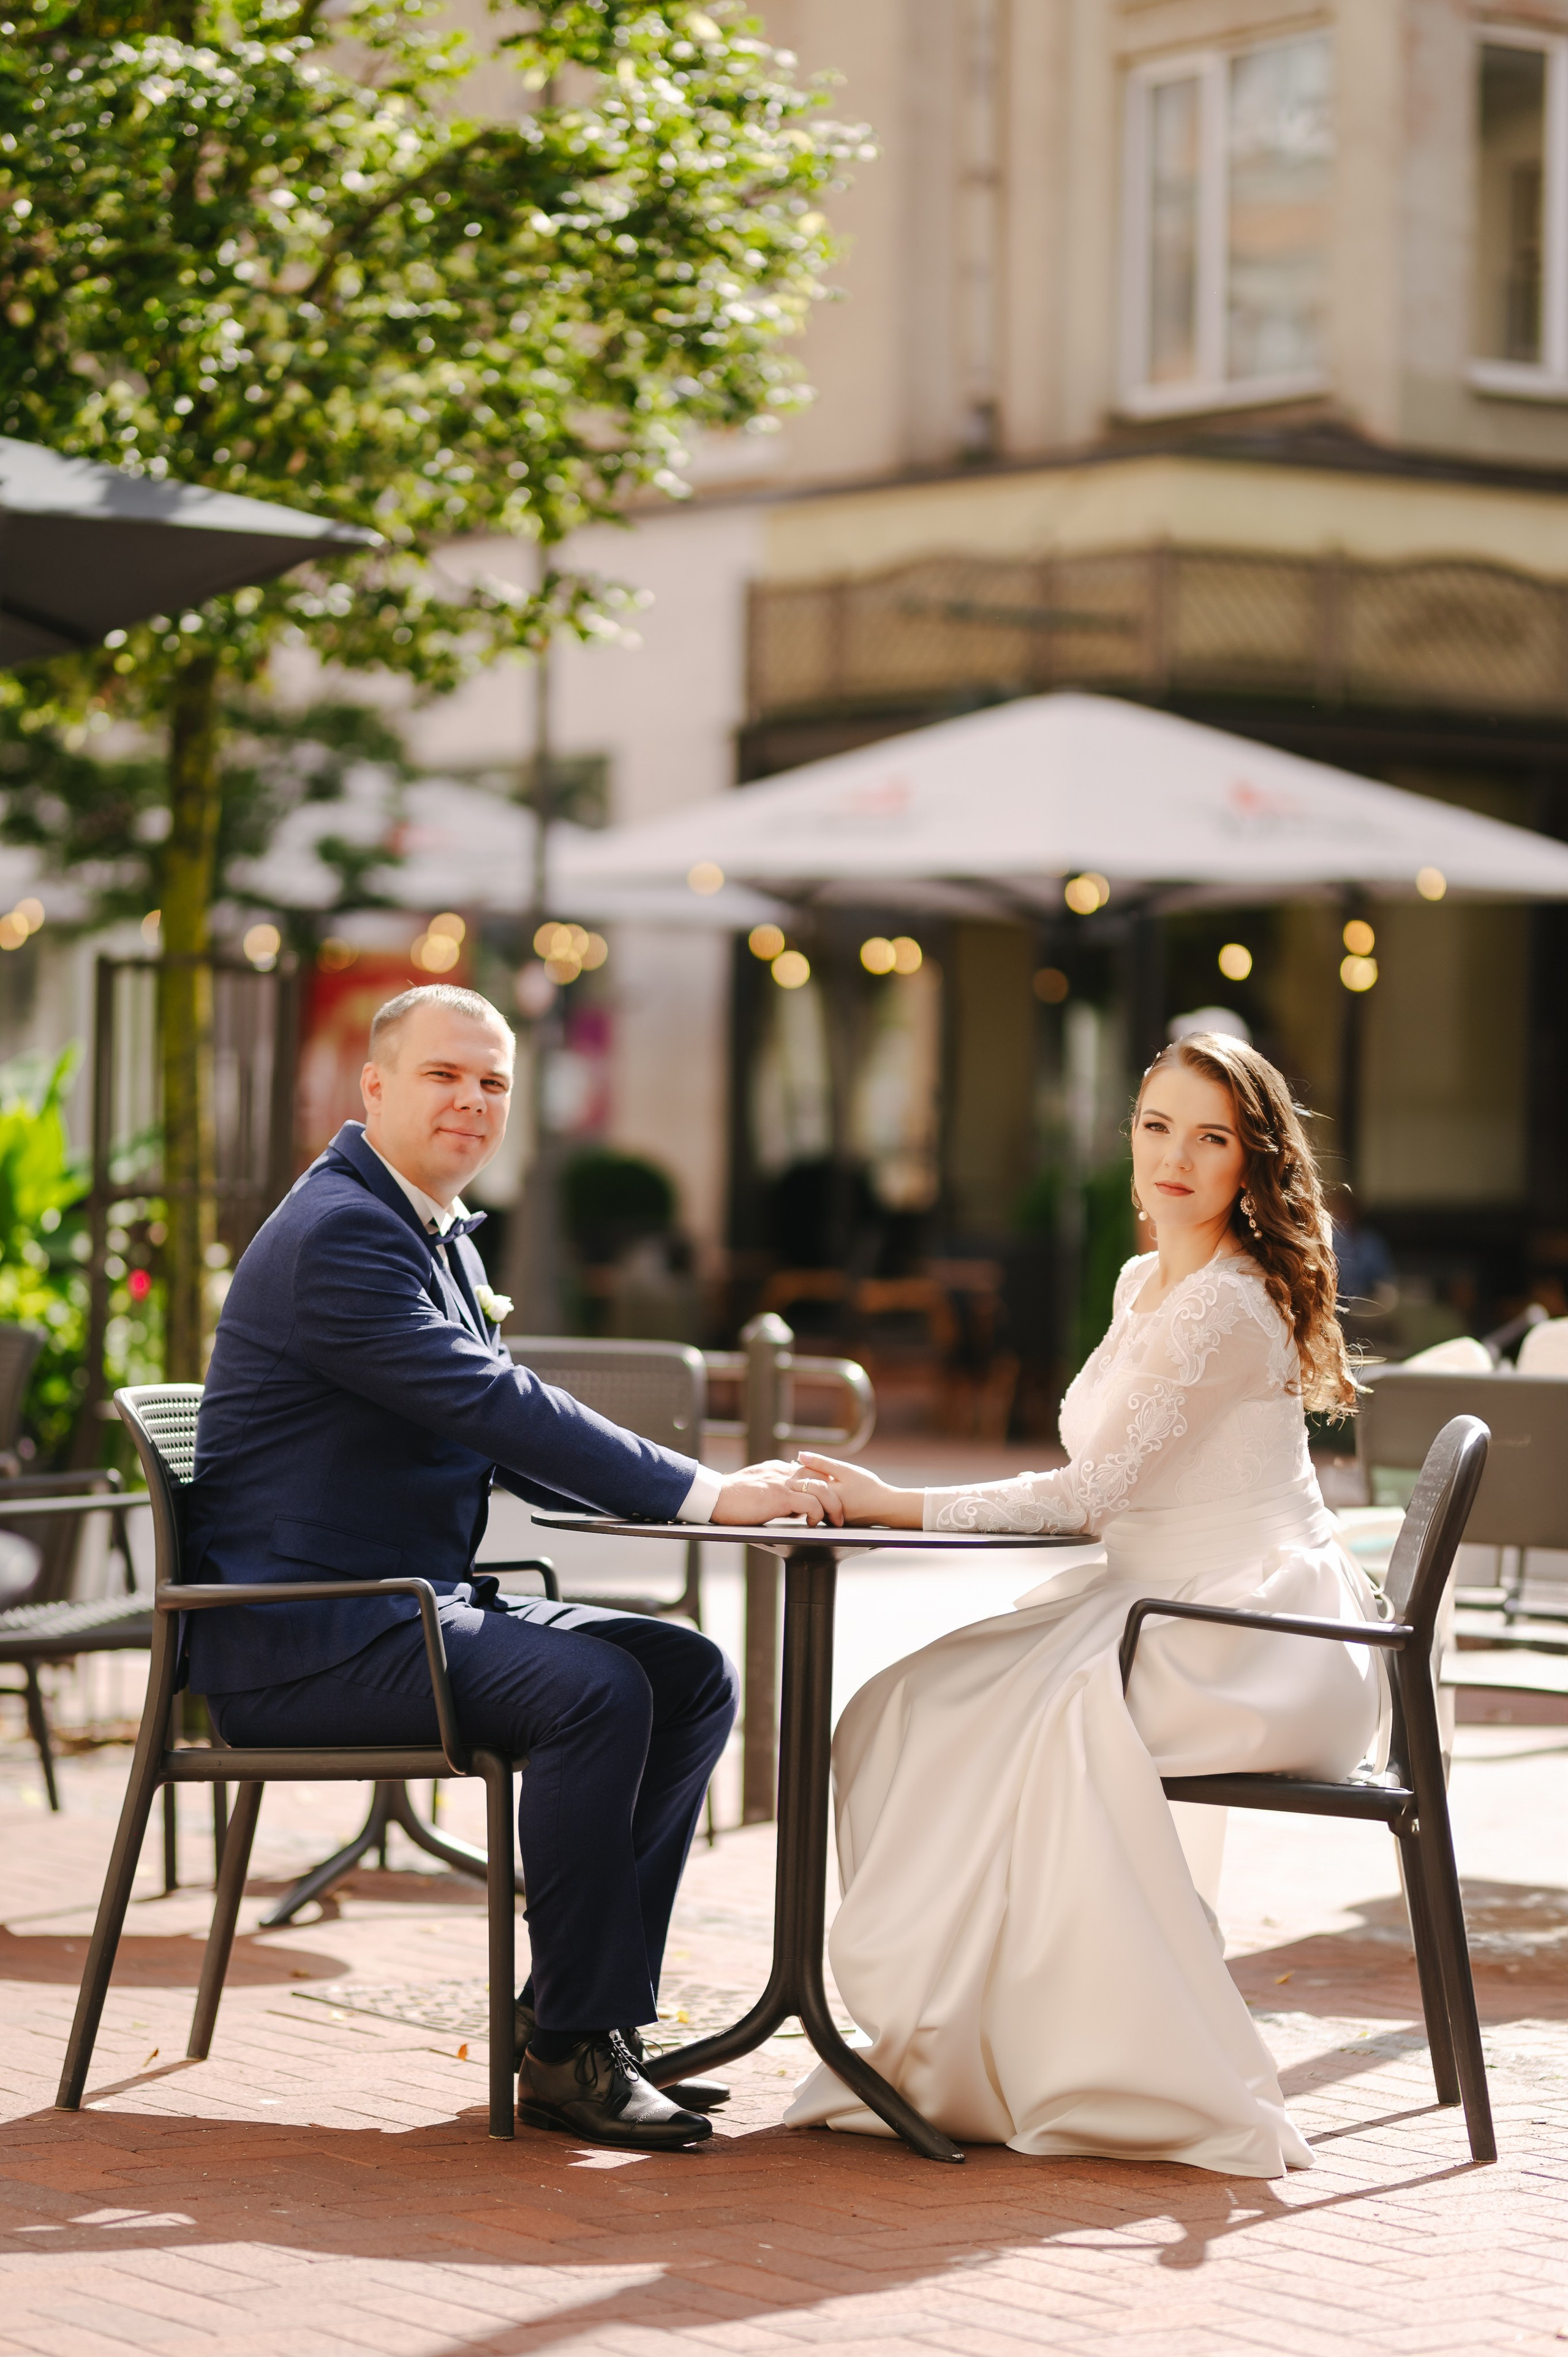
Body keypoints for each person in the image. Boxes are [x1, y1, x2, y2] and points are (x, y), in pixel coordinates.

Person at [187, 982, 821, 2152]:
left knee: (687, 1671)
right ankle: (573, 2047)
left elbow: (493, 1430)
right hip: (307, 1639)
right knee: (595, 1690)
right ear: (371, 1087)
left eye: (493, 1084)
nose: (474, 1102)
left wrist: (691, 1503)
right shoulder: (344, 1234)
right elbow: (496, 1402)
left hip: (396, 1612)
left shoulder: (422, 1224)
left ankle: (576, 2019)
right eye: (445, 1075)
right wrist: (711, 1495)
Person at [780, 1033, 1382, 2176]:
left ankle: (1099, 2059)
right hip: (1159, 1595)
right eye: (1158, 1128)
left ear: (1253, 1161)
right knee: (904, 1702)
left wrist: (893, 1503)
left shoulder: (1229, 1307)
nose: (1177, 1158)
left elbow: (1090, 1498)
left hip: (1258, 1626)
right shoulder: (1142, 1279)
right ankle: (956, 2040)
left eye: (1212, 1138)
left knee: (1035, 1726)